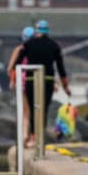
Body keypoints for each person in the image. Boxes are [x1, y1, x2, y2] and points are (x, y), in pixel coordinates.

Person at [16, 19, 71, 148]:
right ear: (47, 30)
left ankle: (33, 138)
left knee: (33, 108)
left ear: (37, 30)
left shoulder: (28, 44)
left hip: (30, 80)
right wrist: (66, 87)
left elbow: (18, 63)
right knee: (43, 110)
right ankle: (39, 139)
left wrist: (15, 79)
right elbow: (61, 68)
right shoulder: (54, 46)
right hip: (47, 81)